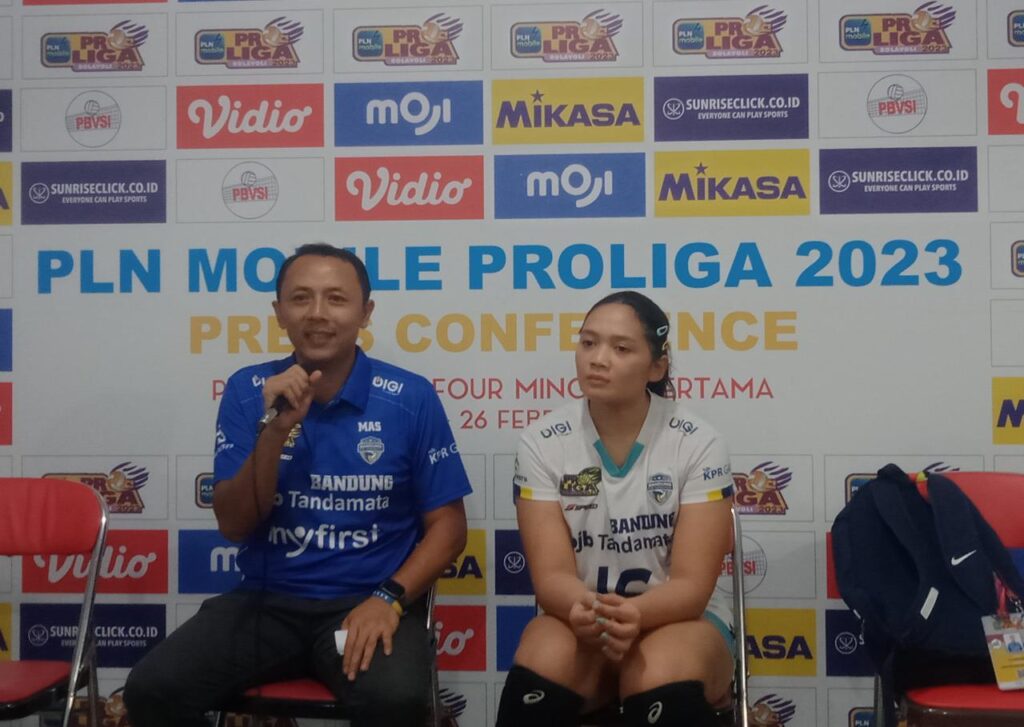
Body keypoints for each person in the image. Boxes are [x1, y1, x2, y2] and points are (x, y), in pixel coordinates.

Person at [124, 243, 471, 727]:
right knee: (152, 690)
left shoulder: (410, 397)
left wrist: (388, 598)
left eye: (336, 298)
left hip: (366, 600)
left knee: (396, 702)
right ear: (279, 312)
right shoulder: (248, 390)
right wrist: (275, 429)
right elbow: (235, 525)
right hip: (266, 603)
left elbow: (449, 529)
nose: (318, 313)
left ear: (366, 313)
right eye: (301, 298)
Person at [496, 291, 735, 727]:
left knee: (661, 674)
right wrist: (587, 611)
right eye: (588, 343)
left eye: (621, 348)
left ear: (657, 366)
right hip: (581, 618)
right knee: (540, 663)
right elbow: (551, 578)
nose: (598, 359)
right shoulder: (542, 441)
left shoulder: (697, 442)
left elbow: (692, 586)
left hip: (682, 621)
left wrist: (636, 614)